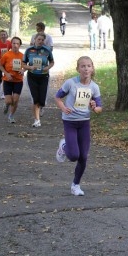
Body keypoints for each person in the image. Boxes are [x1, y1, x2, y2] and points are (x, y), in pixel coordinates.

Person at [54, 56, 102, 196]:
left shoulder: (94, 87)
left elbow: (99, 109)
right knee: (74, 155)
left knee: (83, 157)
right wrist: (63, 107)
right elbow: (57, 97)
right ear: (78, 69)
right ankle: (64, 147)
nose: (86, 69)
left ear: (92, 68)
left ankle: (75, 185)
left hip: (84, 123)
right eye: (83, 66)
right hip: (70, 122)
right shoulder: (71, 83)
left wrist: (94, 107)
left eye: (88, 66)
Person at [23, 33, 54, 128]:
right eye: (39, 39)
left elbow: (52, 62)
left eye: (42, 40)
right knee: (35, 99)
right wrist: (30, 67)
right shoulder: (29, 50)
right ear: (35, 39)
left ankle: (41, 106)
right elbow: (23, 64)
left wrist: (47, 67)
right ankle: (37, 120)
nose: (40, 41)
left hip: (44, 76)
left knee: (42, 100)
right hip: (32, 76)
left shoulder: (47, 50)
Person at [0, 37, 25, 123]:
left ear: (20, 45)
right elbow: (0, 65)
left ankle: (11, 116)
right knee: (9, 101)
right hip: (8, 80)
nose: (15, 45)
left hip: (18, 81)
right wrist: (6, 73)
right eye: (14, 43)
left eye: (17, 44)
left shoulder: (22, 56)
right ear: (11, 44)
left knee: (15, 100)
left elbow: (26, 66)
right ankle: (6, 104)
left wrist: (23, 70)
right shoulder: (6, 55)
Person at [0, 30, 12, 98]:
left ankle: (4, 93)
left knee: (6, 76)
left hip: (7, 62)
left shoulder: (9, 43)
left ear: (7, 35)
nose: (3, 36)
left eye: (4, 34)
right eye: (2, 35)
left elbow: (13, 51)